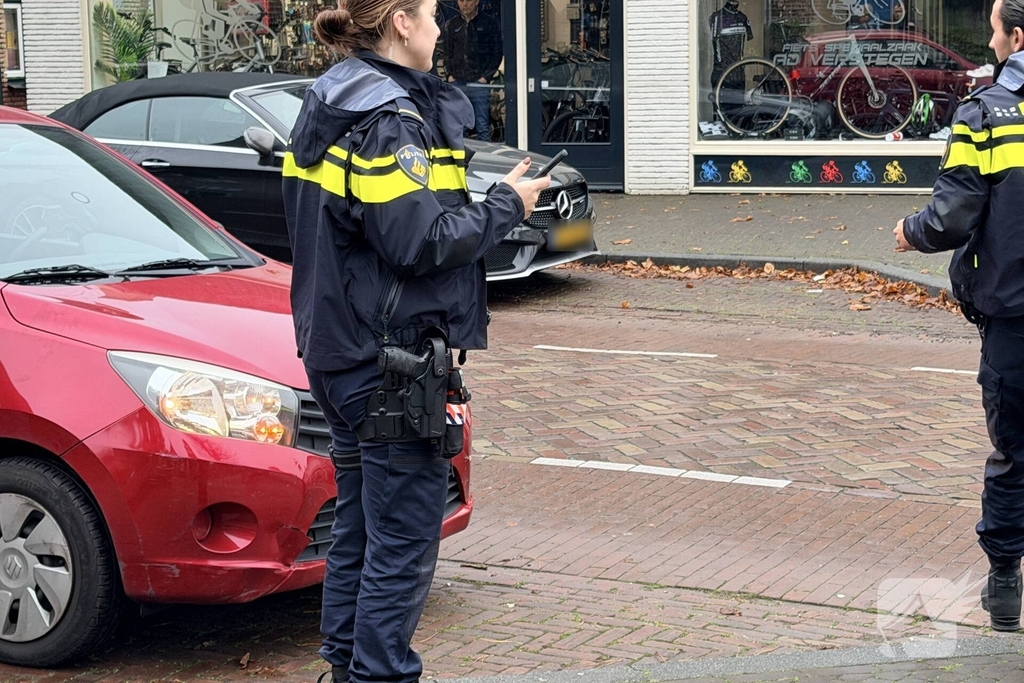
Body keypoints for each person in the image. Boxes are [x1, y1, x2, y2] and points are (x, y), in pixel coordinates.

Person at [280, 0, 550, 680]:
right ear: (399, 21)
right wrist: (505, 208)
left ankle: (345, 667)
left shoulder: (329, 96)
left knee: (361, 529)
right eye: (430, 13)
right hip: (386, 360)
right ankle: (377, 672)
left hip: (334, 347)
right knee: (401, 540)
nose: (439, 26)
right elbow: (420, 241)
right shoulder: (389, 119)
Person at [894, 0, 1024, 633]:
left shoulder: (988, 112)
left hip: (1014, 315)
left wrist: (909, 232)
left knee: (1013, 453)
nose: (990, 40)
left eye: (993, 29)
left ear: (1014, 37)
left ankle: (1004, 588)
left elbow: (953, 216)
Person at [441, 0, 502, 140]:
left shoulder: (488, 23)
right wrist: (450, 75)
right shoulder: (452, 25)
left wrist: (486, 77)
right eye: (461, 1)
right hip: (457, 82)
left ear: (477, 2)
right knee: (459, 127)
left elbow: (496, 53)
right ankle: (462, 161)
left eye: (468, 0)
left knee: (482, 126)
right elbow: (447, 52)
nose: (465, 4)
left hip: (479, 83)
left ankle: (485, 160)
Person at [708, 0, 753, 90]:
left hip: (738, 72)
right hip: (721, 70)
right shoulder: (717, 17)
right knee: (721, 102)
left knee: (739, 103)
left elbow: (749, 36)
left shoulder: (743, 18)